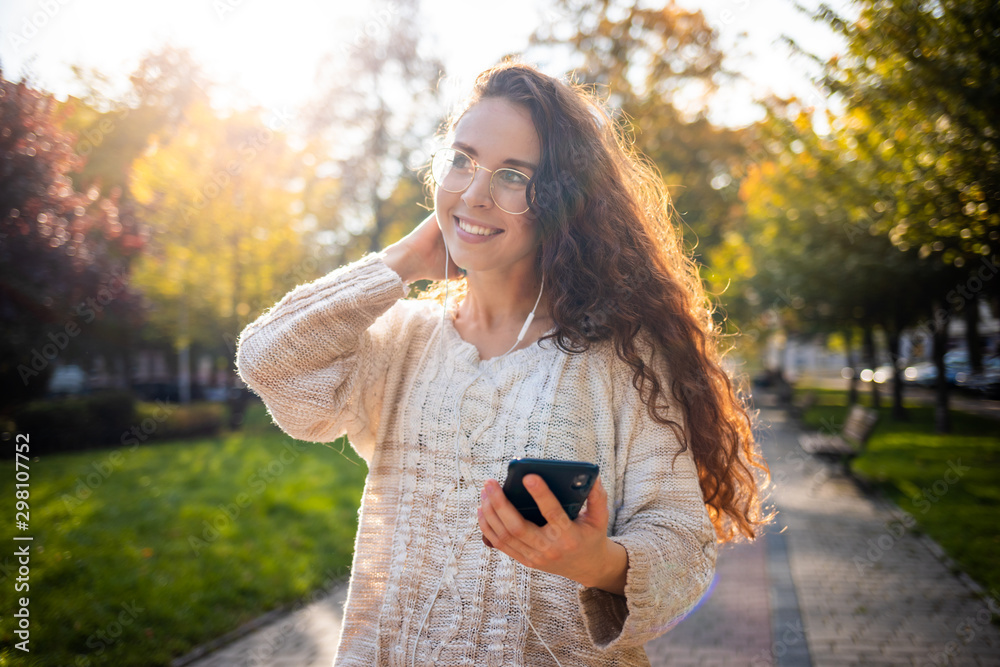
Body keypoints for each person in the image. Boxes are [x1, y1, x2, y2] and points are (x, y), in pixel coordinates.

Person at [236, 61, 770, 666]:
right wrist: (401, 262)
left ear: (563, 202)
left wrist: (593, 562)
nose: (473, 194)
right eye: (461, 159)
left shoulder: (622, 356)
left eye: (514, 176)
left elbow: (684, 549)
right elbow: (267, 360)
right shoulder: (403, 341)